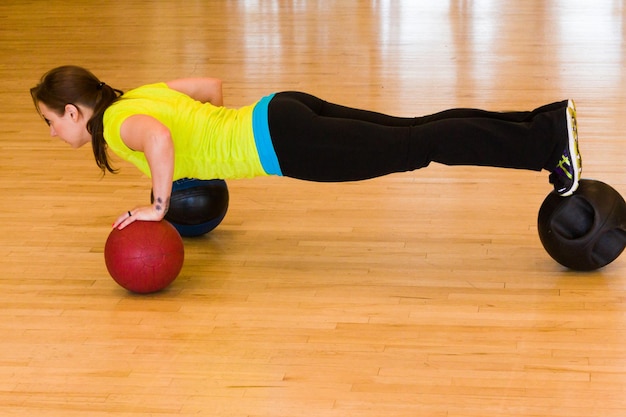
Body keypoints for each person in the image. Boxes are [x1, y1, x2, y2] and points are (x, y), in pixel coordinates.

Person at [31, 65, 582, 230]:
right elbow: (209, 90)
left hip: (284, 143)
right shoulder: (136, 95)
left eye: (50, 122)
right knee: (417, 132)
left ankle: (545, 142)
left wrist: (158, 203)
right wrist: (205, 149)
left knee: (420, 144)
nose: (53, 133)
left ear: (74, 112)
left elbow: (158, 138)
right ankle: (542, 127)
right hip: (279, 109)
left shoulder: (115, 128)